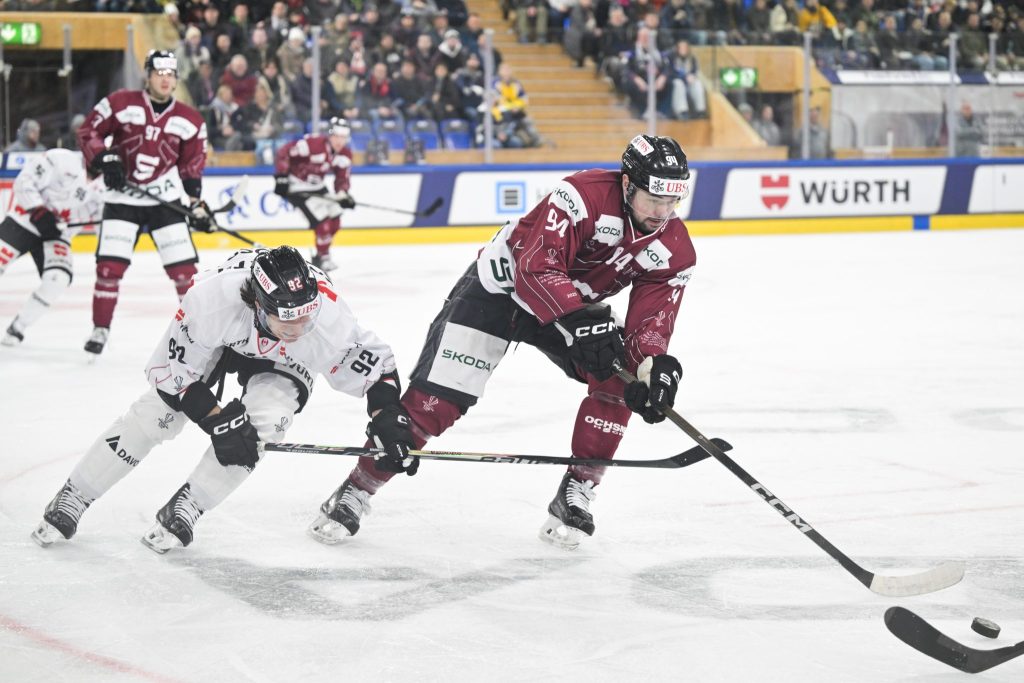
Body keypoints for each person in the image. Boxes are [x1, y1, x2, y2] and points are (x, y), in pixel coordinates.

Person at [308, 135, 695, 550]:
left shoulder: (675, 249)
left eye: (672, 202)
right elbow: (535, 268)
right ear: (627, 184)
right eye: (653, 200)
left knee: (619, 378)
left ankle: (577, 489)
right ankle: (357, 488)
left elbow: (651, 324)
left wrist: (653, 366)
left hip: (568, 308)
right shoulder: (580, 196)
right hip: (499, 292)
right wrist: (582, 322)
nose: (662, 213)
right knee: (435, 405)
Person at [31, 246, 414, 554]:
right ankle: (74, 495)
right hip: (221, 341)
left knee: (265, 426)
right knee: (157, 415)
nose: (300, 328)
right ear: (259, 305)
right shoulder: (211, 301)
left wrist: (389, 417)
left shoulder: (323, 318)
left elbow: (377, 370)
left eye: (306, 318)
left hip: (284, 361)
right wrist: (215, 418)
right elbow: (171, 371)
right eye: (288, 321)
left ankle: (189, 505)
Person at [76, 50, 212, 358]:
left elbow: (191, 168)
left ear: (176, 79)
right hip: (122, 198)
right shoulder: (121, 102)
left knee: (184, 272)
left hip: (164, 198)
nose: (165, 79)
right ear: (147, 75)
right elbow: (89, 131)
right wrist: (105, 158)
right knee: (109, 269)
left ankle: (199, 330)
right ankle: (100, 329)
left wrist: (197, 204)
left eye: (170, 74)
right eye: (159, 72)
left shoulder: (190, 119)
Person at [0, 149, 103, 346]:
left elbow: (103, 222)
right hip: (23, 219)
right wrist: (38, 209)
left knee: (58, 278)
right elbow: (24, 181)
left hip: (55, 234)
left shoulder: (107, 185)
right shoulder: (61, 159)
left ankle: (18, 327)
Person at [273, 117, 355, 272]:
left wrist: (343, 194)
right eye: (337, 136)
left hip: (318, 187)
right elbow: (284, 152)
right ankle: (323, 258)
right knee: (323, 224)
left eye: (343, 137)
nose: (339, 141)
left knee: (335, 220)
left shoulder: (344, 154)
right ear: (330, 135)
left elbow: (342, 177)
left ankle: (320, 255)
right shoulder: (313, 145)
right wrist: (281, 177)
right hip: (297, 188)